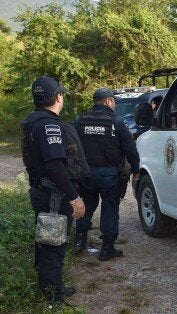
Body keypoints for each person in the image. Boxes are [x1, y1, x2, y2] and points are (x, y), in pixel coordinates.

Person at [21, 76, 87, 304]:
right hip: (54, 195)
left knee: (47, 241)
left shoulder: (33, 121)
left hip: (43, 191)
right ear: (58, 97)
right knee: (53, 245)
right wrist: (74, 197)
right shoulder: (48, 124)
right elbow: (54, 165)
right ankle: (53, 297)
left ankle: (52, 286)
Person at [74, 88, 139, 261]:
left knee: (86, 204)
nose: (115, 105)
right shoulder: (117, 122)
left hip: (86, 173)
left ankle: (79, 241)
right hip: (110, 174)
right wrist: (136, 169)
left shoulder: (80, 120)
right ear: (108, 101)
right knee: (110, 207)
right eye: (114, 102)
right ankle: (107, 249)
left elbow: (71, 147)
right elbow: (130, 148)